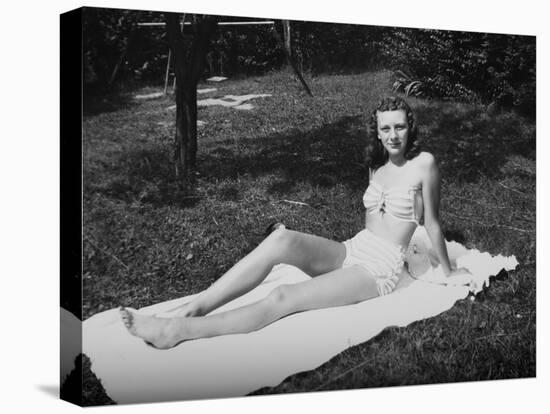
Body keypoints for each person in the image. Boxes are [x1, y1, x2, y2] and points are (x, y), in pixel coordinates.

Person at [120, 96, 472, 349]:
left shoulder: (425, 163)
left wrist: (448, 270)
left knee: (284, 295)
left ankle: (178, 331)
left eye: (399, 127)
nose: (393, 135)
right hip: (355, 247)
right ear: (377, 132)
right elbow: (371, 221)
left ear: (410, 128)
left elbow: (433, 224)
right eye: (385, 128)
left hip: (379, 269)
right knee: (280, 240)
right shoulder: (376, 163)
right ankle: (193, 308)